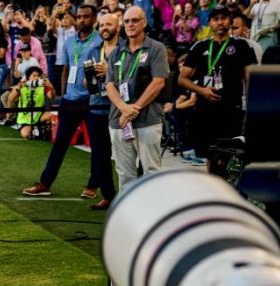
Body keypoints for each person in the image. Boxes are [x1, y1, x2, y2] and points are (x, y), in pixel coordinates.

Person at [23, 3, 117, 210]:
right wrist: (64, 95)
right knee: (59, 143)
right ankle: (45, 182)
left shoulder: (101, 40)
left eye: (86, 17)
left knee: (97, 146)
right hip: (70, 99)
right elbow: (66, 68)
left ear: (94, 20)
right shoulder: (69, 41)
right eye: (80, 16)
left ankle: (93, 185)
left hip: (92, 99)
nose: (82, 20)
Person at [177, 6, 256, 164]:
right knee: (211, 156)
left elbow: (251, 80)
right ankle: (215, 187)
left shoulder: (242, 46)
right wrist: (202, 90)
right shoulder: (200, 47)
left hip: (231, 109)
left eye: (224, 18)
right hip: (205, 111)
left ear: (230, 21)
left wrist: (251, 109)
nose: (220, 22)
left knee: (232, 156)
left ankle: (231, 187)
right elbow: (182, 78)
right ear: (210, 23)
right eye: (216, 19)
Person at [105, 6, 169, 190]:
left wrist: (134, 109)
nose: (130, 24)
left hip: (148, 119)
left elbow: (158, 82)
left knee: (151, 172)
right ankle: (129, 215)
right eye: (127, 21)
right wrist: (124, 108)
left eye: (135, 20)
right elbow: (109, 85)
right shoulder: (116, 52)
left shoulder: (156, 48)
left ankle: (153, 216)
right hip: (119, 120)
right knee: (125, 174)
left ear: (144, 22)